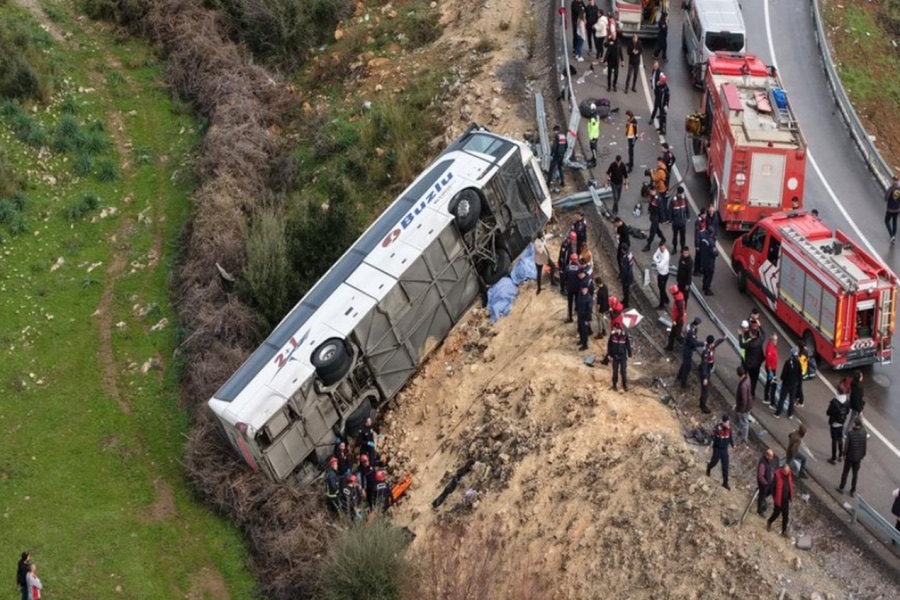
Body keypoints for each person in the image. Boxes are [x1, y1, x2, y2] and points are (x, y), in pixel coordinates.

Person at [837, 418, 867, 497]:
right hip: (858, 457)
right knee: (855, 474)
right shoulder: (864, 433)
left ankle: (841, 487)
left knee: (845, 472)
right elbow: (864, 445)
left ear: (856, 425)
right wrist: (863, 454)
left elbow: (846, 446)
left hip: (850, 457)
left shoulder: (851, 433)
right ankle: (853, 490)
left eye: (853, 423)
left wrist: (844, 454)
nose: (852, 424)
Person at [706, 414, 734, 490]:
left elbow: (730, 438)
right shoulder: (717, 428)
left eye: (729, 423)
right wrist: (708, 446)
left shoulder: (729, 429)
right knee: (714, 462)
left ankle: (725, 483)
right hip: (717, 449)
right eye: (727, 423)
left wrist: (733, 445)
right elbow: (711, 437)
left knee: (725, 466)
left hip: (724, 450)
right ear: (723, 422)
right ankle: (709, 467)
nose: (728, 424)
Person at [699, 335, 725, 413]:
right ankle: (703, 406)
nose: (714, 344)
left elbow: (716, 343)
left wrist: (723, 339)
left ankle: (702, 403)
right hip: (705, 371)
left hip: (708, 370)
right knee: (705, 390)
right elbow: (704, 365)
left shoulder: (711, 347)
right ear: (710, 343)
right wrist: (705, 377)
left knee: (705, 389)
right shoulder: (706, 352)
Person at [767, 464, 794, 537]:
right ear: (782, 470)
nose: (786, 473)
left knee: (785, 515)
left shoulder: (789, 474)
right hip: (778, 499)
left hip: (785, 499)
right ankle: (769, 521)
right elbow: (772, 488)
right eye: (785, 471)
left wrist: (790, 495)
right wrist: (774, 497)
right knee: (776, 513)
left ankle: (784, 531)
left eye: (787, 472)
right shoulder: (777, 475)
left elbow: (790, 485)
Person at [773, 347, 801, 419]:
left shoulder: (787, 363)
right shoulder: (798, 363)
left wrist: (782, 379)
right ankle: (790, 414)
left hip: (786, 384)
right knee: (791, 399)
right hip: (794, 384)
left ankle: (778, 413)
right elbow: (800, 375)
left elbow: (783, 375)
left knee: (782, 398)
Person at [607, 320, 633, 391]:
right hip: (615, 356)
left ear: (618, 329)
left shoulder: (624, 335)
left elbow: (628, 344)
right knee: (615, 372)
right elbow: (609, 345)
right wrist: (609, 354)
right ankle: (614, 385)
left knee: (623, 371)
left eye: (615, 329)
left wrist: (629, 353)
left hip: (622, 356)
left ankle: (624, 385)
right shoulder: (612, 335)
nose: (614, 330)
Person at [677, 317, 703, 386]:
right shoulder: (691, 332)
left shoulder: (689, 326)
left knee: (684, 364)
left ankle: (679, 376)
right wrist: (703, 344)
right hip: (688, 349)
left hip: (686, 346)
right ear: (697, 324)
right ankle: (683, 382)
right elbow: (694, 343)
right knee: (687, 366)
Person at [741, 327, 764, 399]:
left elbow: (742, 345)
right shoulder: (760, 340)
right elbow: (764, 334)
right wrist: (760, 326)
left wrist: (739, 335)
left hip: (750, 364)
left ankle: (745, 392)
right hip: (757, 365)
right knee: (754, 380)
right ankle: (752, 393)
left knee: (747, 378)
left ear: (751, 335)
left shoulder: (750, 343)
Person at [826, 390, 849, 464]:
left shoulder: (834, 401)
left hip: (834, 423)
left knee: (834, 440)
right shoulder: (847, 401)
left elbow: (828, 412)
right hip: (841, 422)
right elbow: (847, 411)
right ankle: (840, 455)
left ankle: (833, 458)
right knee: (840, 439)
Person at [734, 366, 752, 445]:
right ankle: (741, 432)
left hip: (745, 407)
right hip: (748, 404)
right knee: (744, 421)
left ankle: (744, 438)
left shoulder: (743, 385)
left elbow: (744, 399)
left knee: (744, 422)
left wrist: (741, 410)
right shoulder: (748, 378)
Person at [844, 371, 865, 437]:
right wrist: (859, 409)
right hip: (856, 407)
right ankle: (847, 432)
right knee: (858, 420)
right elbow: (857, 399)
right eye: (861, 376)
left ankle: (846, 432)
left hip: (855, 406)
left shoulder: (854, 385)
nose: (862, 377)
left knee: (853, 419)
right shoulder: (857, 387)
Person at [699, 220, 717, 295]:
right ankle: (707, 289)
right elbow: (715, 253)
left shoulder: (703, 239)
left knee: (705, 274)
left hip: (703, 260)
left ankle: (704, 286)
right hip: (709, 262)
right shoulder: (711, 243)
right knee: (709, 276)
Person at [665, 284, 685, 351]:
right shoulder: (679, 297)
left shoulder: (678, 301)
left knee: (677, 336)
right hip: (677, 320)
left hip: (678, 321)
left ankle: (686, 344)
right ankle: (669, 347)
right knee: (672, 335)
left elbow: (681, 314)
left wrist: (675, 321)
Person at [757, 449, 776, 516]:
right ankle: (760, 511)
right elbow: (760, 476)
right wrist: (765, 483)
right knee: (761, 497)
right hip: (764, 484)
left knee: (767, 493)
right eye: (771, 456)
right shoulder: (763, 463)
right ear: (767, 455)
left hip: (768, 483)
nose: (772, 458)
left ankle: (763, 505)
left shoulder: (768, 462)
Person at [652, 241, 670, 309]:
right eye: (661, 248)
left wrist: (657, 261)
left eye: (663, 248)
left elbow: (661, 266)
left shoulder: (666, 255)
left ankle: (661, 304)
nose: (662, 249)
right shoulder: (659, 249)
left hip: (664, 274)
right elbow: (654, 256)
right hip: (660, 273)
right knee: (660, 287)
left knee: (662, 289)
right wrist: (658, 261)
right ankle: (666, 299)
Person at [565, 253, 582, 323]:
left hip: (570, 288)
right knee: (578, 302)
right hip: (577, 288)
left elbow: (565, 278)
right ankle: (578, 316)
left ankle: (570, 317)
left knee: (570, 303)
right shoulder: (579, 268)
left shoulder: (568, 267)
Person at [576, 283, 594, 350]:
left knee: (584, 332)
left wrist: (587, 320)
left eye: (585, 289)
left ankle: (585, 345)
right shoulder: (580, 295)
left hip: (585, 317)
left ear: (587, 290)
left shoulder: (588, 298)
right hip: (580, 315)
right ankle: (581, 340)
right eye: (583, 289)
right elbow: (578, 302)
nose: (584, 291)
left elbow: (589, 310)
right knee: (579, 329)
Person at [559, 231, 577, 296]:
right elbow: (562, 256)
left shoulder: (569, 244)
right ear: (571, 239)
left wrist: (574, 255)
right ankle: (562, 290)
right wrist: (563, 266)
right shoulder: (565, 244)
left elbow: (571, 251)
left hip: (566, 262)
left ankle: (565, 287)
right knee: (562, 277)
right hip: (562, 263)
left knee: (566, 276)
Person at [884, 174, 900, 244]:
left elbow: (886, 198)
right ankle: (894, 236)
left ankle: (892, 236)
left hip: (890, 209)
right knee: (894, 222)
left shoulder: (891, 189)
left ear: (893, 180)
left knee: (886, 221)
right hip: (897, 209)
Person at [764, 333, 779, 405]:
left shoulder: (772, 346)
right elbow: (768, 361)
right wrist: (770, 372)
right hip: (771, 369)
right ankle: (771, 402)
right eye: (774, 340)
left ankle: (766, 397)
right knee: (774, 384)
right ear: (771, 340)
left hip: (772, 369)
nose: (776, 342)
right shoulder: (770, 348)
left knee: (769, 382)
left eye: (776, 340)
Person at [619, 243, 635, 308]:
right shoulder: (630, 253)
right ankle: (625, 300)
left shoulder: (625, 258)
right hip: (630, 274)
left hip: (627, 277)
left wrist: (622, 278)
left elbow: (624, 270)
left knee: (626, 290)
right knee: (626, 290)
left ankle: (626, 303)